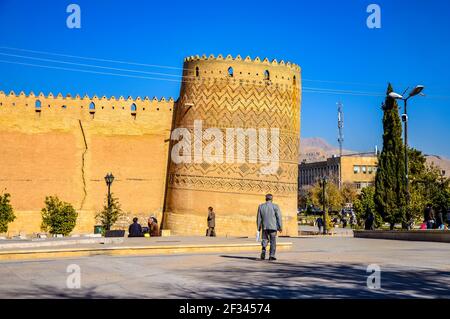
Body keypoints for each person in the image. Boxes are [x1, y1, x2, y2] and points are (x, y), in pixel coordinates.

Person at [257, 194, 282, 261]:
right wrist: (280, 226)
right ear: (272, 199)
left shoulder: (261, 206)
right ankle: (271, 255)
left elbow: (259, 218)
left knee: (264, 239)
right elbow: (278, 217)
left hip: (264, 226)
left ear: (266, 199)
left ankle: (263, 249)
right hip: (273, 227)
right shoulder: (275, 206)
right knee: (273, 241)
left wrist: (258, 227)